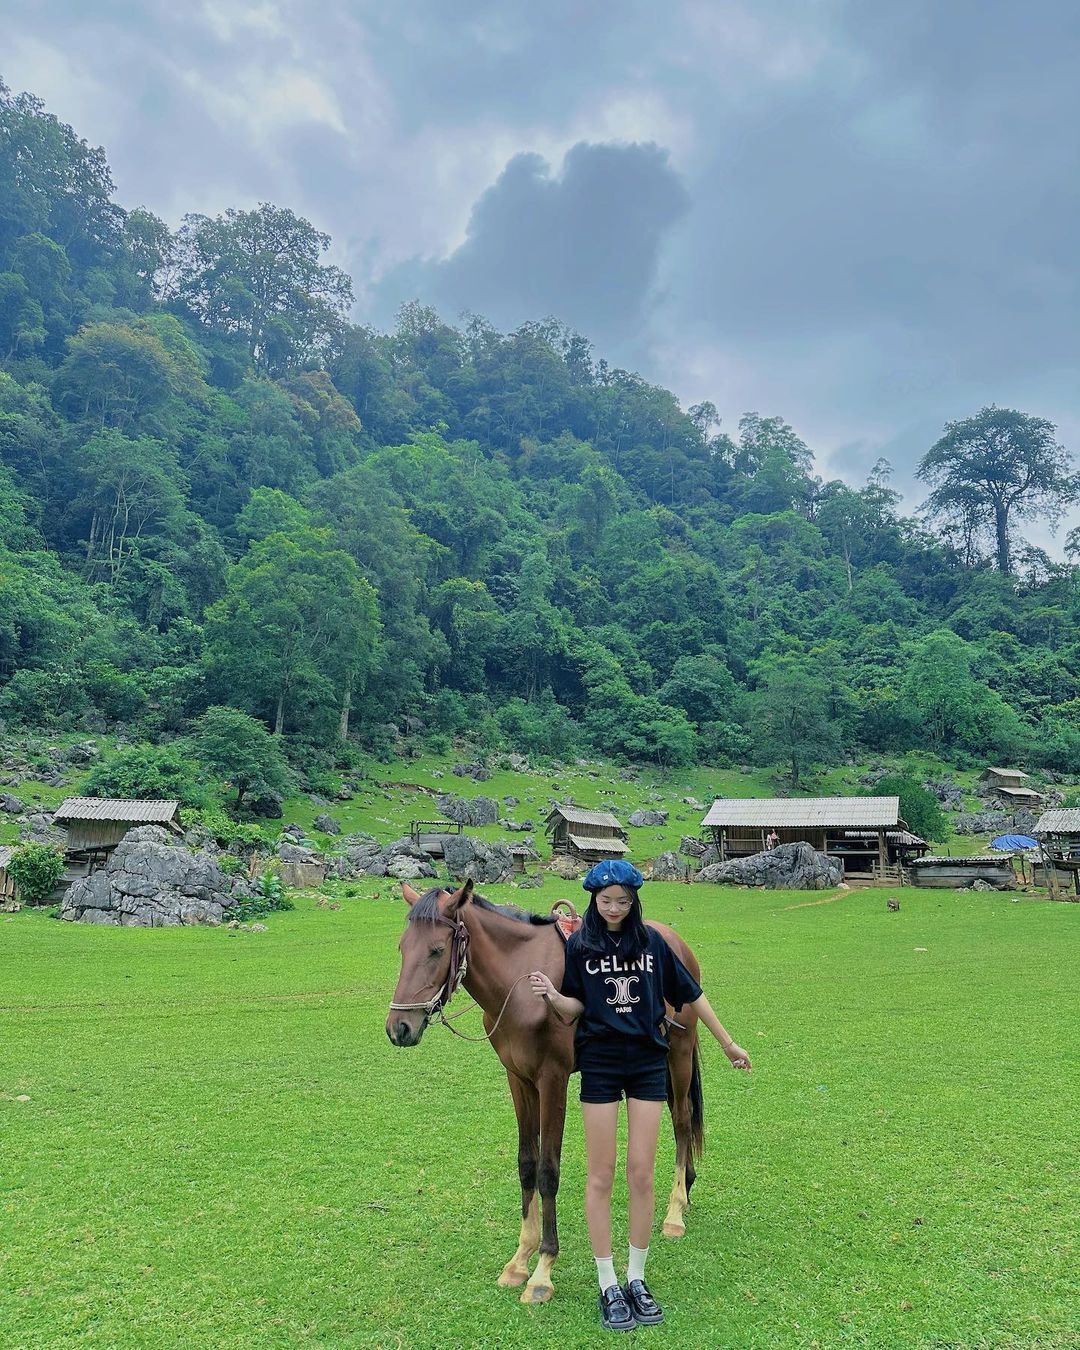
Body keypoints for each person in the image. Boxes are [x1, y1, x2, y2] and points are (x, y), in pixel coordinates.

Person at [529, 858, 751, 1332]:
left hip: (649, 1063)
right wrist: (551, 994)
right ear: (594, 900)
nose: (614, 908)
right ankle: (607, 1281)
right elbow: (574, 1008)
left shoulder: (652, 944)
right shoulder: (581, 948)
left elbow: (691, 995)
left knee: (641, 1174)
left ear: (633, 902)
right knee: (600, 1175)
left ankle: (636, 1277)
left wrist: (727, 1042)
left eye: (623, 901)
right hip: (602, 1066)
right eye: (606, 900)